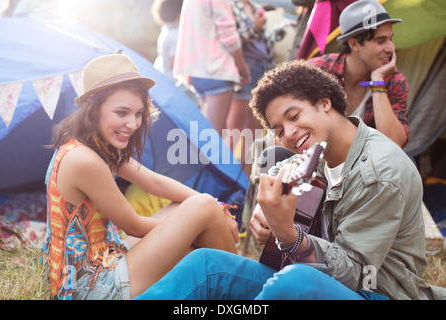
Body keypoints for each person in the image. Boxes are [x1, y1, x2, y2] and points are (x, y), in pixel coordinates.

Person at [135, 59, 445, 300]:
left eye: (294, 117)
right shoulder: (323, 149)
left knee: (295, 280)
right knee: (206, 264)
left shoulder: (379, 172)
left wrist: (287, 233)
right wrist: (262, 207)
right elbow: (282, 169)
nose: (289, 134)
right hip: (322, 279)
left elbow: (356, 272)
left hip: (377, 291)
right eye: (279, 129)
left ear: (325, 103)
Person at [42, 54, 238, 300]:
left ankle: (234, 284)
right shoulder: (84, 160)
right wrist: (194, 227)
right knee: (202, 209)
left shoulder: (93, 144)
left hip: (107, 256)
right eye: (122, 112)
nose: (133, 124)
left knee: (193, 205)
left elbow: (154, 182)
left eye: (138, 114)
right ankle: (243, 292)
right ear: (93, 110)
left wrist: (217, 210)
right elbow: (132, 225)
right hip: (89, 286)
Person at [308, 0, 409, 148]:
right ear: (354, 44)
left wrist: (378, 83)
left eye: (390, 39)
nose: (391, 48)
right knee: (273, 152)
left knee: (406, 163)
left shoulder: (394, 81)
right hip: (319, 156)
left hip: (365, 165)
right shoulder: (318, 70)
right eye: (381, 41)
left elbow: (394, 144)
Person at [174, 0, 251, 136]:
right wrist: (242, 68)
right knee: (211, 138)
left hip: (197, 70)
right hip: (216, 69)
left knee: (216, 133)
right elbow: (229, 36)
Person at [226, 0, 288, 152]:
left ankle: (245, 174)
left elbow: (264, 39)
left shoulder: (254, 8)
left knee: (254, 133)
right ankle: (222, 173)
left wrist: (280, 29)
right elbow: (235, 38)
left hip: (263, 68)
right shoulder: (232, 6)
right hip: (246, 67)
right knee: (234, 131)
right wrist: (257, 26)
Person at [151, 0, 183, 83]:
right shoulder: (175, 34)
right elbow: (174, 63)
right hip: (176, 82)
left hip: (166, 78)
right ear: (179, 13)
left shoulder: (166, 31)